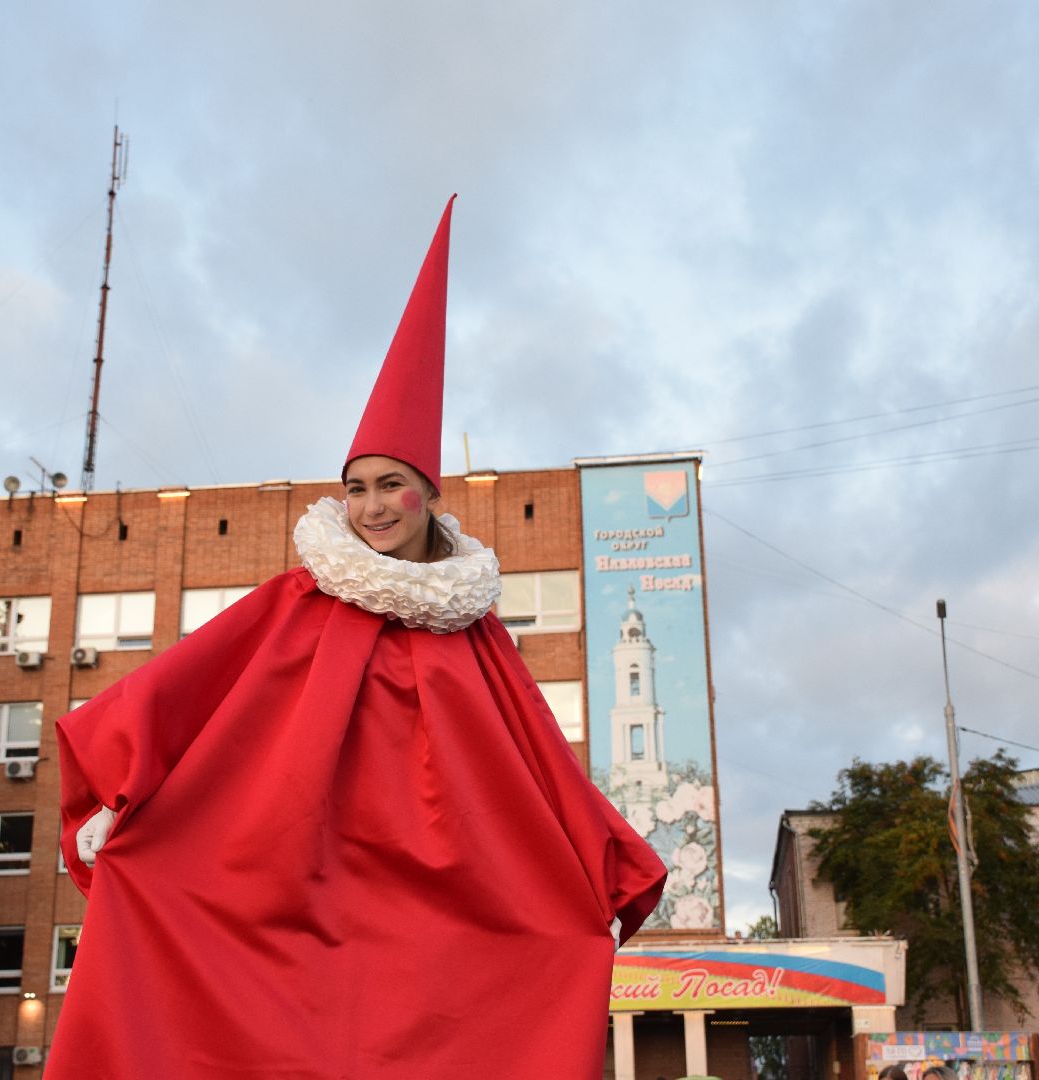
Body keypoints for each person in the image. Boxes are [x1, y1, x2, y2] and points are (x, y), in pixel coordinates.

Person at [44, 196, 668, 1078]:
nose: (371, 507)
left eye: (391, 485)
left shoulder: (475, 629)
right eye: (357, 487)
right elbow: (194, 688)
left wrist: (598, 875)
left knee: (516, 973)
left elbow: (537, 759)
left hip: (439, 903)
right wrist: (121, 791)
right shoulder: (303, 597)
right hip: (289, 880)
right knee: (189, 937)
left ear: (430, 496)